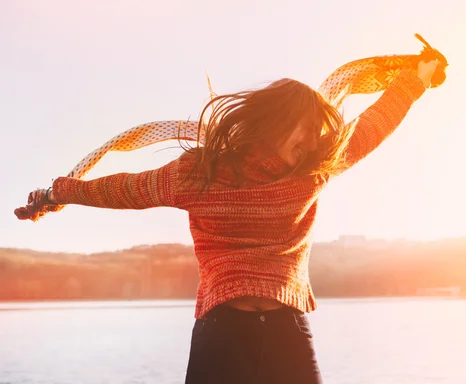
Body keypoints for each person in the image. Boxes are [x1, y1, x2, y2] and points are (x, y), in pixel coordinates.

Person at [27, 59, 441, 383]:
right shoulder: (200, 173)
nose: (312, 141)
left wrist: (415, 81)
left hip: (286, 329)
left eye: (317, 133)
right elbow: (123, 189)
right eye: (307, 129)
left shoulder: (312, 172)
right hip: (224, 331)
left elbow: (370, 128)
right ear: (276, 120)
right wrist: (56, 194)